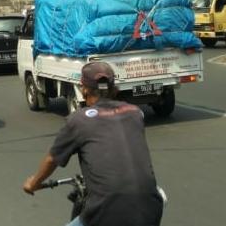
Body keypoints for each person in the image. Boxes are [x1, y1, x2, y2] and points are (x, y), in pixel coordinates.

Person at [23, 62, 163, 226]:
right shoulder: (135, 113)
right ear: (114, 88)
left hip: (107, 212)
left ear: (84, 89)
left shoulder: (79, 120)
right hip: (152, 206)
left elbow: (51, 160)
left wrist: (33, 183)